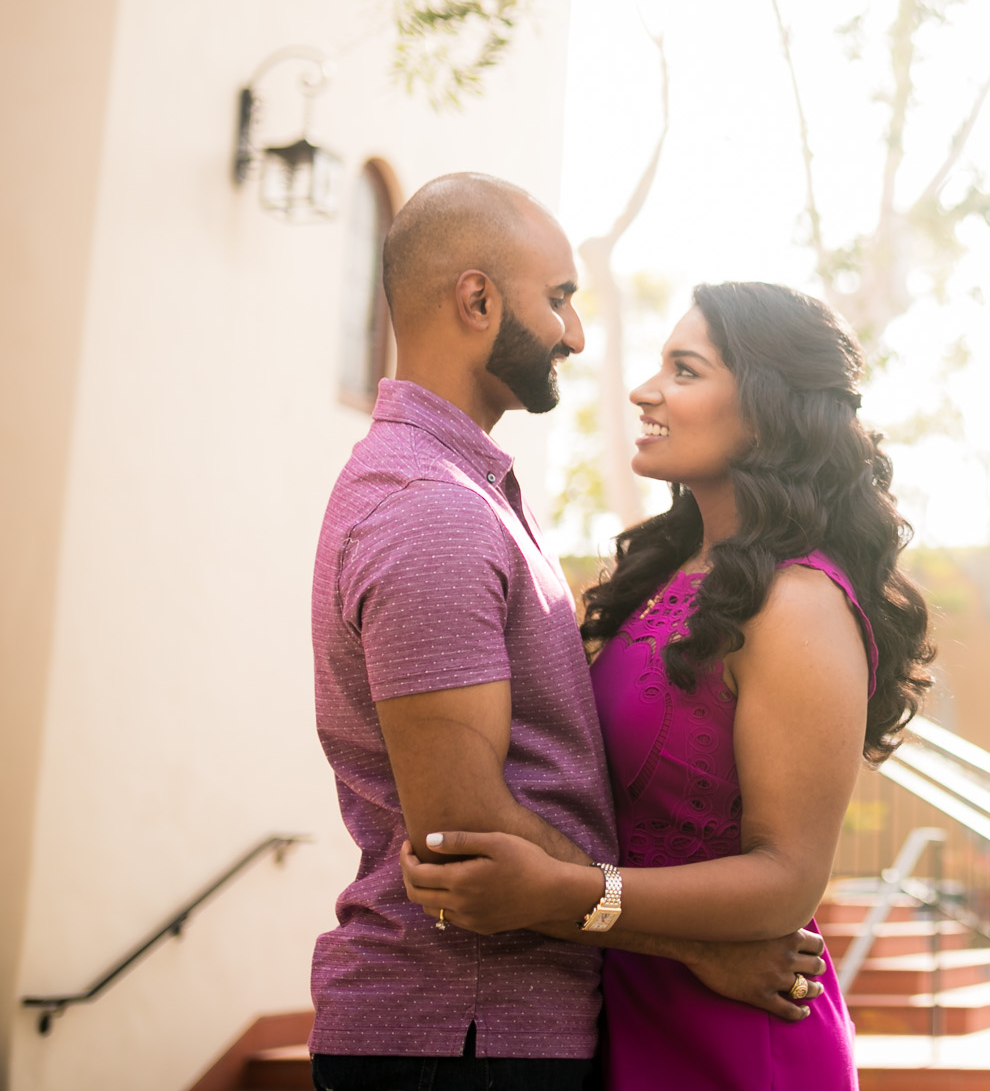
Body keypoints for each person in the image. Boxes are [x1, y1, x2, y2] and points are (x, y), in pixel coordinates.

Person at [309, 178, 826, 1091]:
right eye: (559, 299)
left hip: (502, 1028)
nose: (579, 336)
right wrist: (690, 950)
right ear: (478, 301)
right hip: (461, 1030)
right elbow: (467, 843)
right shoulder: (434, 511)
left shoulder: (464, 496)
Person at [402, 280, 935, 1091]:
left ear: (767, 410)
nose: (646, 390)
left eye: (685, 370)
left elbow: (788, 877)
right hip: (621, 1009)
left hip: (741, 1039)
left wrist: (563, 894)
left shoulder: (799, 602)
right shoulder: (664, 577)